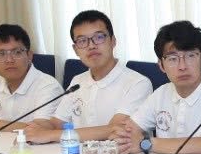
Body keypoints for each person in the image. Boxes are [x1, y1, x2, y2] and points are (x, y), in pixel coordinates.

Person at [111, 21, 201, 154]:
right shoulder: (160, 94)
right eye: (172, 59)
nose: (182, 66)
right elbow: (125, 132)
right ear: (161, 65)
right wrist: (122, 138)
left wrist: (146, 143)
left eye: (190, 56)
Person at [25, 10, 151, 144]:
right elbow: (57, 123)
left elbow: (115, 130)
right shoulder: (77, 81)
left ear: (113, 41)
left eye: (99, 37)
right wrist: (34, 129)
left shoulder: (138, 83)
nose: (91, 46)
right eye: (82, 41)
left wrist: (49, 135)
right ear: (75, 49)